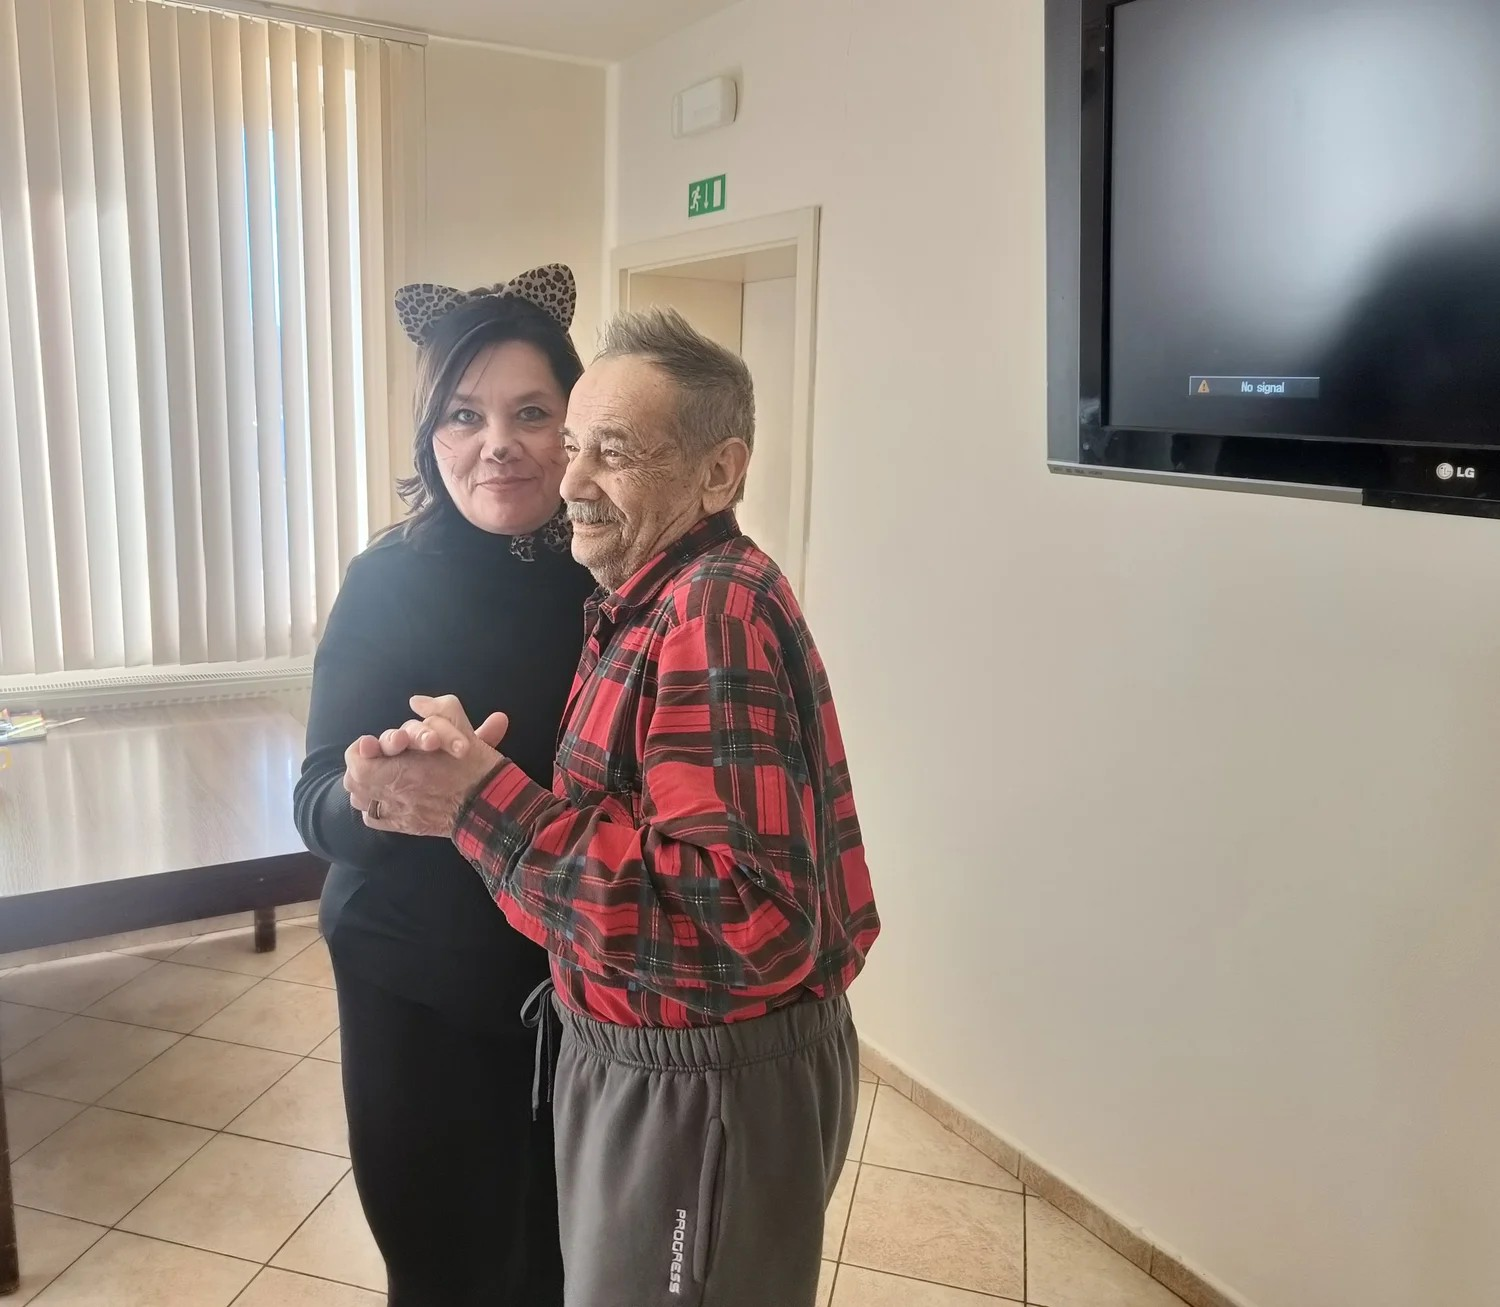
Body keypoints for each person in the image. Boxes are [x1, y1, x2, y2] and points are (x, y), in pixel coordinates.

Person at [343, 308, 882, 1307]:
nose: (571, 479)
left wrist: (482, 801)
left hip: (699, 1080)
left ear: (719, 473)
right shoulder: (643, 594)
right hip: (643, 1058)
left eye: (614, 450)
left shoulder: (710, 611)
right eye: (578, 443)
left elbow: (751, 920)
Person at [292, 266, 595, 1307]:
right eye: (464, 415)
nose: (496, 442)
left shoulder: (613, 576)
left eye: (530, 412)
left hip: (580, 1000)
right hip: (414, 989)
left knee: (561, 1265)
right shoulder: (389, 579)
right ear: (432, 434)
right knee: (443, 1270)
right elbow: (315, 798)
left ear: (575, 425)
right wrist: (379, 796)